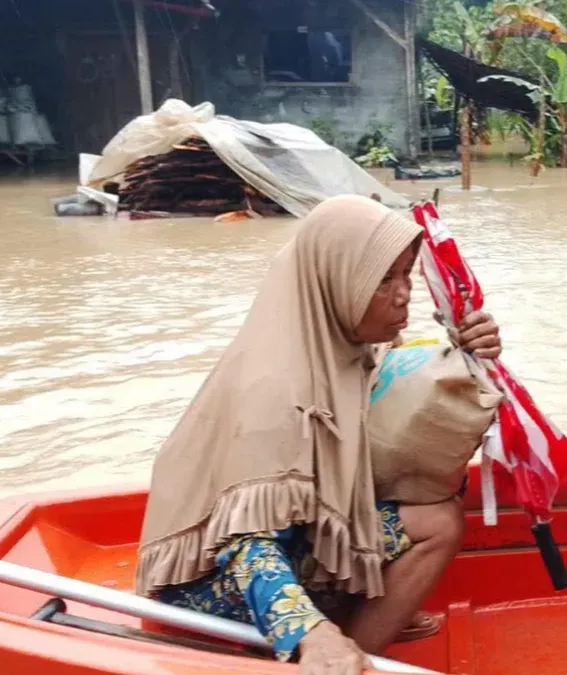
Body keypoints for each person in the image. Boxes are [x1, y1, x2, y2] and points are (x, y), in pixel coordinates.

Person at [134, 195, 503, 675]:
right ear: (337, 283)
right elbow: (245, 546)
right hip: (207, 580)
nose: (403, 293)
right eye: (382, 281)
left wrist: (470, 347)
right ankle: (356, 652)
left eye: (406, 274)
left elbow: (409, 393)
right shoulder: (277, 388)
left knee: (431, 501)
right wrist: (313, 635)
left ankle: (356, 611)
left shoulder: (340, 343)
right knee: (439, 523)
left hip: (289, 537)